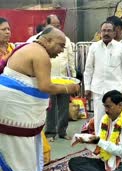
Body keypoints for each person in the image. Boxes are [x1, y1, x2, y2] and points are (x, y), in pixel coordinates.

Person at [0, 26, 80, 171]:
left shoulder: (28, 46)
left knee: (19, 144)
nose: (61, 50)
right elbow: (45, 86)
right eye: (60, 45)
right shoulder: (41, 55)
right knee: (23, 145)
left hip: (10, 105)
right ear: (48, 40)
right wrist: (69, 88)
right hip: (15, 108)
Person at [84, 21, 122, 135]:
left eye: (109, 31)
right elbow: (88, 69)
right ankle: (99, 145)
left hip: (116, 90)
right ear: (100, 33)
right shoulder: (94, 47)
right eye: (104, 31)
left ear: (114, 33)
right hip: (98, 89)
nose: (106, 33)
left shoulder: (121, 48)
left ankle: (115, 143)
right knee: (99, 119)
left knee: (116, 119)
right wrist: (87, 87)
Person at [44, 14, 77, 142]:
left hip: (64, 79)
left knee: (64, 106)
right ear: (47, 25)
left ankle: (62, 131)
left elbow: (71, 60)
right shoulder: (41, 39)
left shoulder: (66, 40)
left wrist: (73, 78)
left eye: (58, 25)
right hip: (48, 80)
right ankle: (50, 133)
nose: (57, 27)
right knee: (50, 107)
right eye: (54, 25)